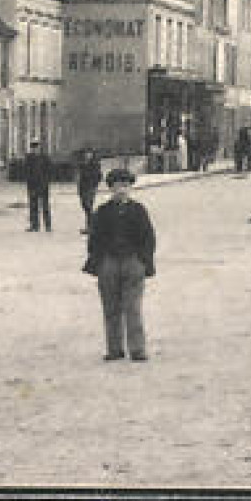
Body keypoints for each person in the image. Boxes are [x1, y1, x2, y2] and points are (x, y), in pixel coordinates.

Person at [83, 168, 156, 362]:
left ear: (130, 188)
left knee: (133, 307)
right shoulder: (102, 212)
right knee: (111, 308)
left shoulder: (138, 210)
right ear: (110, 189)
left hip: (133, 262)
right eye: (117, 186)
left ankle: (137, 349)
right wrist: (99, 262)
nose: (121, 190)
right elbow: (94, 239)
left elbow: (149, 238)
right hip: (109, 263)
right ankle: (114, 349)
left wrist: (142, 261)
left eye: (125, 186)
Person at [24, 140, 53, 232]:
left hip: (43, 185)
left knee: (45, 206)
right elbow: (26, 171)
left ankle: (48, 225)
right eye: (33, 148)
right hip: (32, 185)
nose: (35, 149)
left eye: (36, 148)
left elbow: (49, 170)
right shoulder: (29, 158)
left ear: (39, 148)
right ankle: (34, 225)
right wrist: (29, 182)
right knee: (33, 206)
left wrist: (46, 181)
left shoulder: (44, 158)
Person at [76, 147, 103, 234]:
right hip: (83, 187)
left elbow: (99, 176)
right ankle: (89, 226)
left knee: (88, 206)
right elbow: (80, 176)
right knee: (85, 206)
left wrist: (94, 184)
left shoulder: (95, 164)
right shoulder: (82, 163)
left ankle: (91, 227)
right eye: (86, 153)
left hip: (90, 187)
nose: (88, 155)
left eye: (89, 153)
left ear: (92, 154)